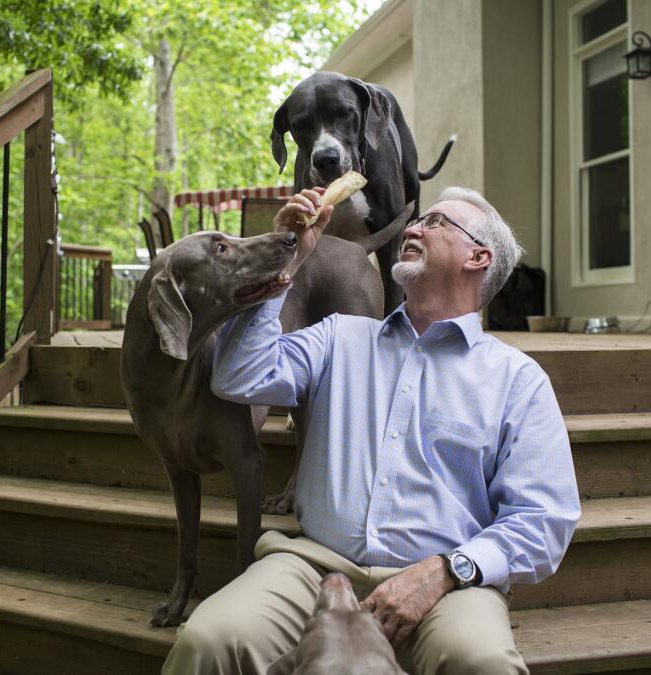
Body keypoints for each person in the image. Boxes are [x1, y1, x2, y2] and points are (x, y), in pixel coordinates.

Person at [161, 186, 581, 675]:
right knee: (208, 641)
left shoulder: (517, 380)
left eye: (437, 222)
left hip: (447, 583)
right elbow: (239, 376)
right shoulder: (340, 337)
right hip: (313, 568)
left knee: (481, 662)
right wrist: (284, 263)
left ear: (478, 256)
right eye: (417, 220)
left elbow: (543, 521)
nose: (414, 227)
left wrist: (446, 571)